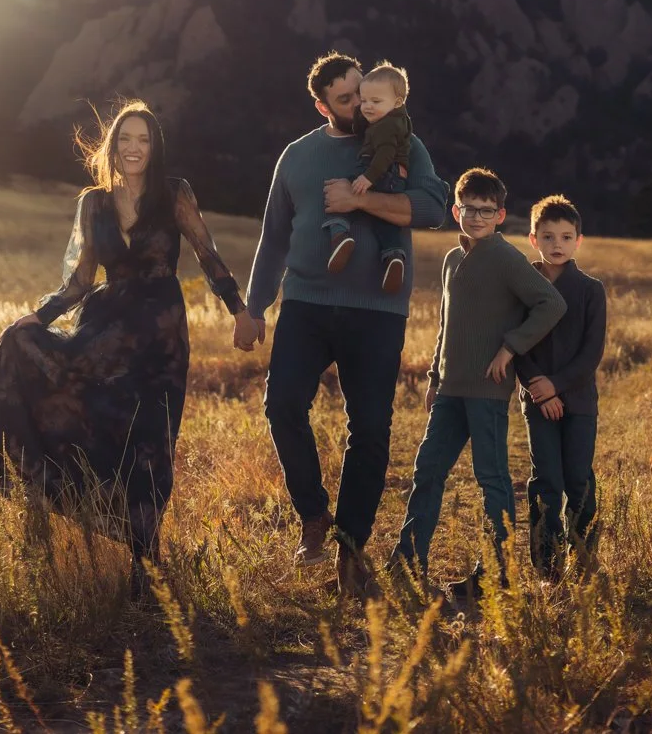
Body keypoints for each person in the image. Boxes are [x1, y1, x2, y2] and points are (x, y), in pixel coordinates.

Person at [0, 102, 244, 595]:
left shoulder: (175, 193)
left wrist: (238, 309)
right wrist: (39, 316)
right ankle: (87, 521)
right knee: (90, 416)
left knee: (151, 438)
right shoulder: (93, 202)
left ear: (154, 147)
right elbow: (79, 280)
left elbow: (207, 253)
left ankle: (146, 561)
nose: (133, 149)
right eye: (124, 140)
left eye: (143, 140)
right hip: (106, 330)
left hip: (160, 335)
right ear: (111, 147)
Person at [236, 52, 450, 596]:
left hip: (377, 310)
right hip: (306, 304)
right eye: (347, 99)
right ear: (322, 104)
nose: (359, 105)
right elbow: (274, 237)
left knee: (371, 430)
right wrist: (255, 307)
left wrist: (364, 199)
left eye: (363, 93)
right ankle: (313, 515)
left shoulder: (400, 141)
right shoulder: (298, 155)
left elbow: (431, 208)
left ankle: (352, 551)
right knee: (281, 404)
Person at [389, 168, 566, 593]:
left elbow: (550, 303)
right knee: (427, 469)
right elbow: (446, 324)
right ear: (456, 210)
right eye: (469, 209)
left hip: (487, 391)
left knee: (492, 478)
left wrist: (510, 347)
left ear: (501, 214)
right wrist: (434, 375)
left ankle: (496, 570)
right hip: (450, 389)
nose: (476, 217)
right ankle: (407, 564)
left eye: (486, 211)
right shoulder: (452, 260)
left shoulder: (507, 259)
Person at [513, 194, 607, 580]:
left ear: (578, 241)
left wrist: (556, 386)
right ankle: (547, 569)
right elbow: (516, 343)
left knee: (578, 477)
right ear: (533, 238)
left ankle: (582, 559)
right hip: (537, 401)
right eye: (548, 237)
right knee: (546, 479)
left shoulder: (590, 289)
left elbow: (591, 354)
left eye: (566, 237)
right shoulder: (521, 287)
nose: (557, 245)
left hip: (579, 401)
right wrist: (540, 390)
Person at [322, 60, 415, 294]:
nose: (364, 107)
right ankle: (393, 255)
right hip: (395, 178)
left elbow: (384, 154)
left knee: (342, 196)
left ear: (397, 102)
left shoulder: (385, 127)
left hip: (378, 171)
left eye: (375, 101)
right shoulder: (396, 122)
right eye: (364, 101)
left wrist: (367, 179)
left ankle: (340, 234)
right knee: (385, 222)